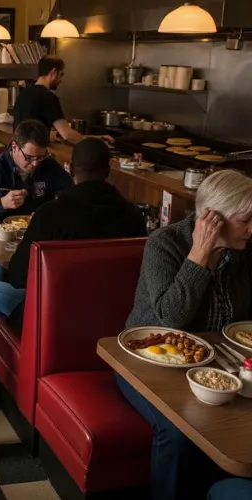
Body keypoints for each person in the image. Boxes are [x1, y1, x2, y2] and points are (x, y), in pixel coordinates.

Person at [118, 169, 252, 500]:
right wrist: (200, 254)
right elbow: (170, 319)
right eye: (246, 219)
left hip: (218, 366)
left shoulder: (244, 252)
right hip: (147, 364)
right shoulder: (164, 244)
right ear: (214, 219)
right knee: (177, 433)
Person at [0, 138, 147, 326]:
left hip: (56, 316)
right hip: (117, 315)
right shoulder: (134, 215)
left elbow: (19, 276)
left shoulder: (51, 214)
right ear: (108, 172)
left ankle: (0, 349)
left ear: (72, 170)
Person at [12, 56, 112, 145]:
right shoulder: (48, 97)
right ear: (54, 72)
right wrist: (94, 141)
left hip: (18, 151)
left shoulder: (23, 93)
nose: (60, 80)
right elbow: (67, 135)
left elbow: (28, 125)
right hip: (34, 155)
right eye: (61, 74)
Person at [0, 120, 73, 222]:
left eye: (40, 157)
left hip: (38, 229)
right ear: (15, 147)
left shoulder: (49, 165)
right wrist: (2, 203)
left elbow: (69, 194)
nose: (35, 164)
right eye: (29, 157)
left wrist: (52, 210)